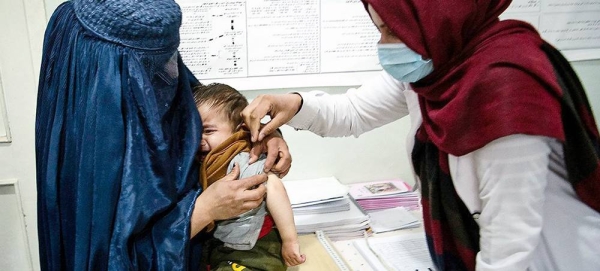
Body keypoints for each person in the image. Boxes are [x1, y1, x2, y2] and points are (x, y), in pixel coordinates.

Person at [241, 0, 600, 270]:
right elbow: (353, 112)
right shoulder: (439, 64)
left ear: (438, 16)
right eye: (380, 29)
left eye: (394, 31)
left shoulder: (506, 87)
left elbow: (510, 244)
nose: (384, 44)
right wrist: (292, 104)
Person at [35, 0, 291, 270]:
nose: (166, 76)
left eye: (170, 59)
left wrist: (263, 135)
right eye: (149, 70)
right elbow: (107, 256)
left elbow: (214, 111)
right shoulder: (91, 146)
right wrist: (202, 211)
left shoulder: (164, 83)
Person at [192, 83, 305, 270]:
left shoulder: (244, 160)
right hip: (223, 245)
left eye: (209, 131)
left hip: (257, 246)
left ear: (240, 130)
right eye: (193, 131)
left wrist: (290, 240)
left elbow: (274, 188)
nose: (199, 139)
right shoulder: (205, 162)